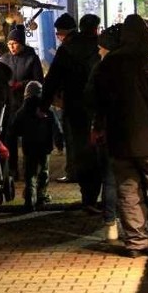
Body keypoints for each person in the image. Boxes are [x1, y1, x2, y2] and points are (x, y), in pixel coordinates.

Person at [90, 14, 148, 258]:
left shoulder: (106, 67)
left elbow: (94, 101)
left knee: (128, 191)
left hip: (119, 141)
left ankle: (136, 243)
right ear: (145, 37)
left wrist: (99, 126)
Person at [41, 12, 101, 207]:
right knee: (102, 150)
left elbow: (52, 79)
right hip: (101, 107)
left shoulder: (66, 49)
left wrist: (43, 105)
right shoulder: (101, 48)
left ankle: (88, 197)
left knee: (81, 150)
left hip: (76, 106)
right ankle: (107, 199)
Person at [85, 24, 122, 241]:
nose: (99, 51)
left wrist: (96, 125)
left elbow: (90, 99)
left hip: (108, 129)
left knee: (109, 178)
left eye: (101, 48)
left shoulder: (101, 69)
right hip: (132, 130)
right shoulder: (136, 65)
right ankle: (136, 227)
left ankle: (111, 224)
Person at [0, 24, 44, 179]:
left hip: (28, 103)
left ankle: (30, 170)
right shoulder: (4, 59)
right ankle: (12, 169)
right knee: (9, 136)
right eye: (9, 44)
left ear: (22, 43)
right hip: (11, 103)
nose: (12, 47)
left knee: (28, 138)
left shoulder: (32, 58)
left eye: (15, 44)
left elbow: (38, 80)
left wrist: (22, 84)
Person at [11, 80, 63, 212]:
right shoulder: (47, 109)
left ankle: (29, 199)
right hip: (45, 146)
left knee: (30, 174)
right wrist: (59, 142)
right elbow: (57, 127)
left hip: (29, 146)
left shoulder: (22, 111)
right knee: (44, 172)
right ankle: (42, 195)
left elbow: (15, 128)